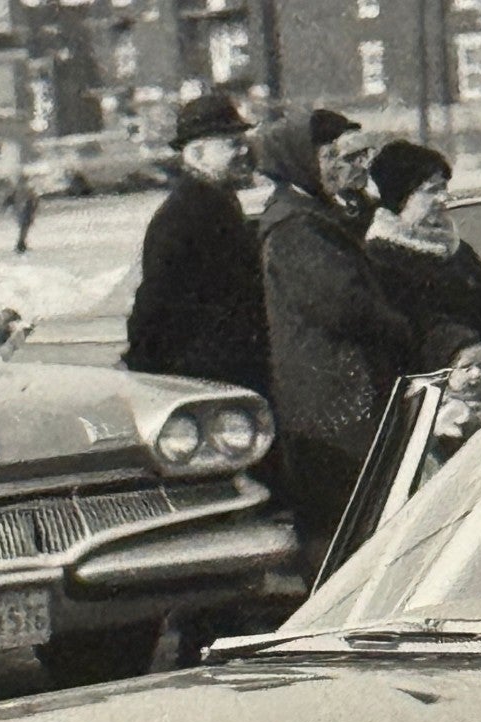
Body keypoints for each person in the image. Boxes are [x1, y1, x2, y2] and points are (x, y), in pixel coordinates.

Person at [255, 107, 417, 576]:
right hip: (329, 399)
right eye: (332, 155)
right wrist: (402, 329)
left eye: (356, 154)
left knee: (361, 511)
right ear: (302, 161)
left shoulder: (322, 213)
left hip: (342, 391)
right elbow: (344, 305)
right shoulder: (295, 226)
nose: (350, 166)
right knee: (343, 520)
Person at [123, 92, 268, 397]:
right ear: (198, 154)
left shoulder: (218, 203)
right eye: (230, 144)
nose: (243, 150)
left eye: (241, 141)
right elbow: (154, 306)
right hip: (207, 377)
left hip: (230, 370)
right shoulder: (182, 216)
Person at [363, 139, 481, 376]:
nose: (443, 199)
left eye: (443, 189)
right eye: (431, 191)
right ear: (401, 196)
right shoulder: (381, 257)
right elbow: (419, 324)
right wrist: (463, 349)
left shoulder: (456, 248)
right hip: (432, 388)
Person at [313, 111, 380, 238]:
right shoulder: (315, 209)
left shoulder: (370, 201)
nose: (335, 165)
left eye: (355, 158)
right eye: (328, 157)